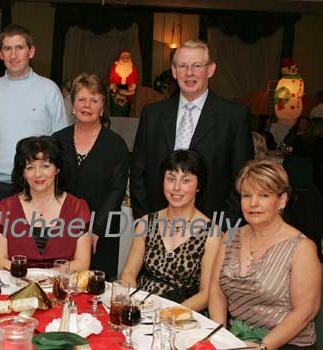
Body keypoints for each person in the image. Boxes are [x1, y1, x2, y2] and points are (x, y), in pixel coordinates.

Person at [130, 39, 253, 227]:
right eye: (183, 66)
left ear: (210, 70)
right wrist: (145, 221)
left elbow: (242, 179)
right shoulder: (152, 114)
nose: (189, 73)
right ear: (173, 70)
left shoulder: (234, 117)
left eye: (197, 66)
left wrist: (223, 229)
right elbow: (138, 172)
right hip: (157, 226)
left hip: (212, 229)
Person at [0, 24, 69, 251]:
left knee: (32, 254)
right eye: (7, 48)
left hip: (36, 188)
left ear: (31, 52)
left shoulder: (49, 90)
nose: (13, 55)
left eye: (19, 47)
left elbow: (61, 142)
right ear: (0, 54)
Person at [210, 160, 321, 349]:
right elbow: (216, 292)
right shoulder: (230, 236)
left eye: (263, 195)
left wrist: (263, 346)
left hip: (286, 343)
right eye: (246, 195)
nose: (253, 203)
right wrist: (220, 337)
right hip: (236, 340)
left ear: (282, 200)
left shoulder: (302, 248)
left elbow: (306, 311)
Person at [120, 150, 220, 311]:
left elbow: (206, 294)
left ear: (199, 185)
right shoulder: (146, 223)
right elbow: (128, 274)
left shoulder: (211, 233)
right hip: (142, 306)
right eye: (171, 179)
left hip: (183, 314)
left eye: (186, 180)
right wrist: (134, 302)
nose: (176, 187)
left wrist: (168, 314)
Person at [53, 73, 129, 280]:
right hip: (61, 230)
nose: (87, 105)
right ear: (73, 105)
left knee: (96, 293)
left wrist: (96, 230)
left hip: (102, 232)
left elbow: (117, 190)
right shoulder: (57, 141)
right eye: (82, 99)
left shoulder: (116, 145)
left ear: (103, 108)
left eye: (94, 100)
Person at [0, 136, 91, 271]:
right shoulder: (6, 207)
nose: (38, 174)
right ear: (22, 172)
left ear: (57, 169)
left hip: (62, 286)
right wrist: (29, 275)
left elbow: (83, 263)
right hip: (17, 285)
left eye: (45, 166)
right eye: (30, 167)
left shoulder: (77, 207)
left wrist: (50, 275)